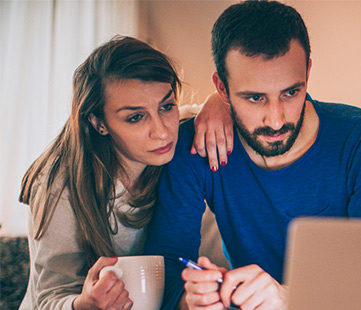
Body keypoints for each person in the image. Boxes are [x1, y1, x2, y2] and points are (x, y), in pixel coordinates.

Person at [143, 1, 361, 309]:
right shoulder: (196, 145)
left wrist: (291, 298)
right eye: (255, 98)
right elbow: (166, 270)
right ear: (222, 89)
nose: (277, 120)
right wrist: (191, 299)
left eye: (291, 92)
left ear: (307, 70)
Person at [18, 36, 232, 310]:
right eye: (135, 117)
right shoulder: (60, 182)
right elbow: (48, 297)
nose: (162, 130)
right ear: (99, 122)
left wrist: (219, 102)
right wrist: (84, 304)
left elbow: (210, 111)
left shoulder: (179, 136)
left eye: (167, 106)